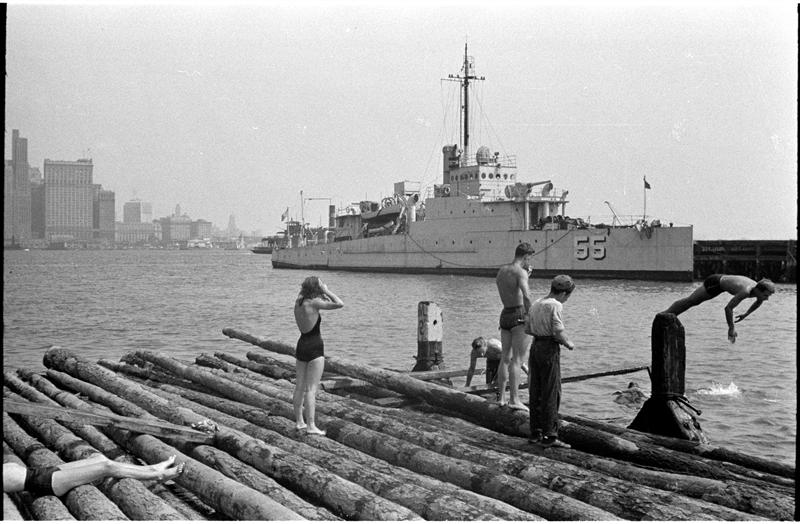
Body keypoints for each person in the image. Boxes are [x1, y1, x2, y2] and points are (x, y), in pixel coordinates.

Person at [527, 274, 576, 449]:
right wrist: (568, 343)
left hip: (535, 347)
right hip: (549, 348)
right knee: (551, 391)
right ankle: (550, 435)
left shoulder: (536, 303)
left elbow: (528, 329)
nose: (566, 300)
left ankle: (535, 432)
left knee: (536, 390)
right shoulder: (555, 305)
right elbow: (558, 331)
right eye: (567, 296)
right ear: (563, 293)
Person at [293, 276, 344, 435]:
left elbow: (307, 295)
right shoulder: (314, 303)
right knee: (311, 389)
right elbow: (339, 304)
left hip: (301, 344)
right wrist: (326, 290)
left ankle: (299, 422)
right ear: (316, 288)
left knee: (299, 386)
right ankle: (311, 426)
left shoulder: (299, 301)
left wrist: (319, 289)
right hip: (315, 347)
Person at [3, 454, 184, 496]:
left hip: (42, 472)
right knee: (107, 466)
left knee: (98, 458)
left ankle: (152, 468)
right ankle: (157, 475)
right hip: (43, 483)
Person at [664, 275, 775, 343]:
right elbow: (728, 308)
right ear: (758, 290)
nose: (767, 299)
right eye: (766, 295)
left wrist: (746, 314)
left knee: (692, 302)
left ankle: (669, 315)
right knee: (692, 301)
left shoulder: (758, 291)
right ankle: (665, 314)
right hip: (715, 283)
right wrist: (731, 327)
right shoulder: (746, 291)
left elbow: (758, 302)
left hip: (721, 282)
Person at [495, 242, 535, 410]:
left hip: (505, 314)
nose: (529, 262)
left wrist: (526, 275)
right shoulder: (521, 272)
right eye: (529, 259)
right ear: (525, 257)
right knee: (518, 360)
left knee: (505, 358)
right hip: (519, 314)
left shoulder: (502, 271)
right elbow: (526, 296)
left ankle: (501, 398)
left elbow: (510, 291)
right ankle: (515, 399)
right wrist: (530, 316)